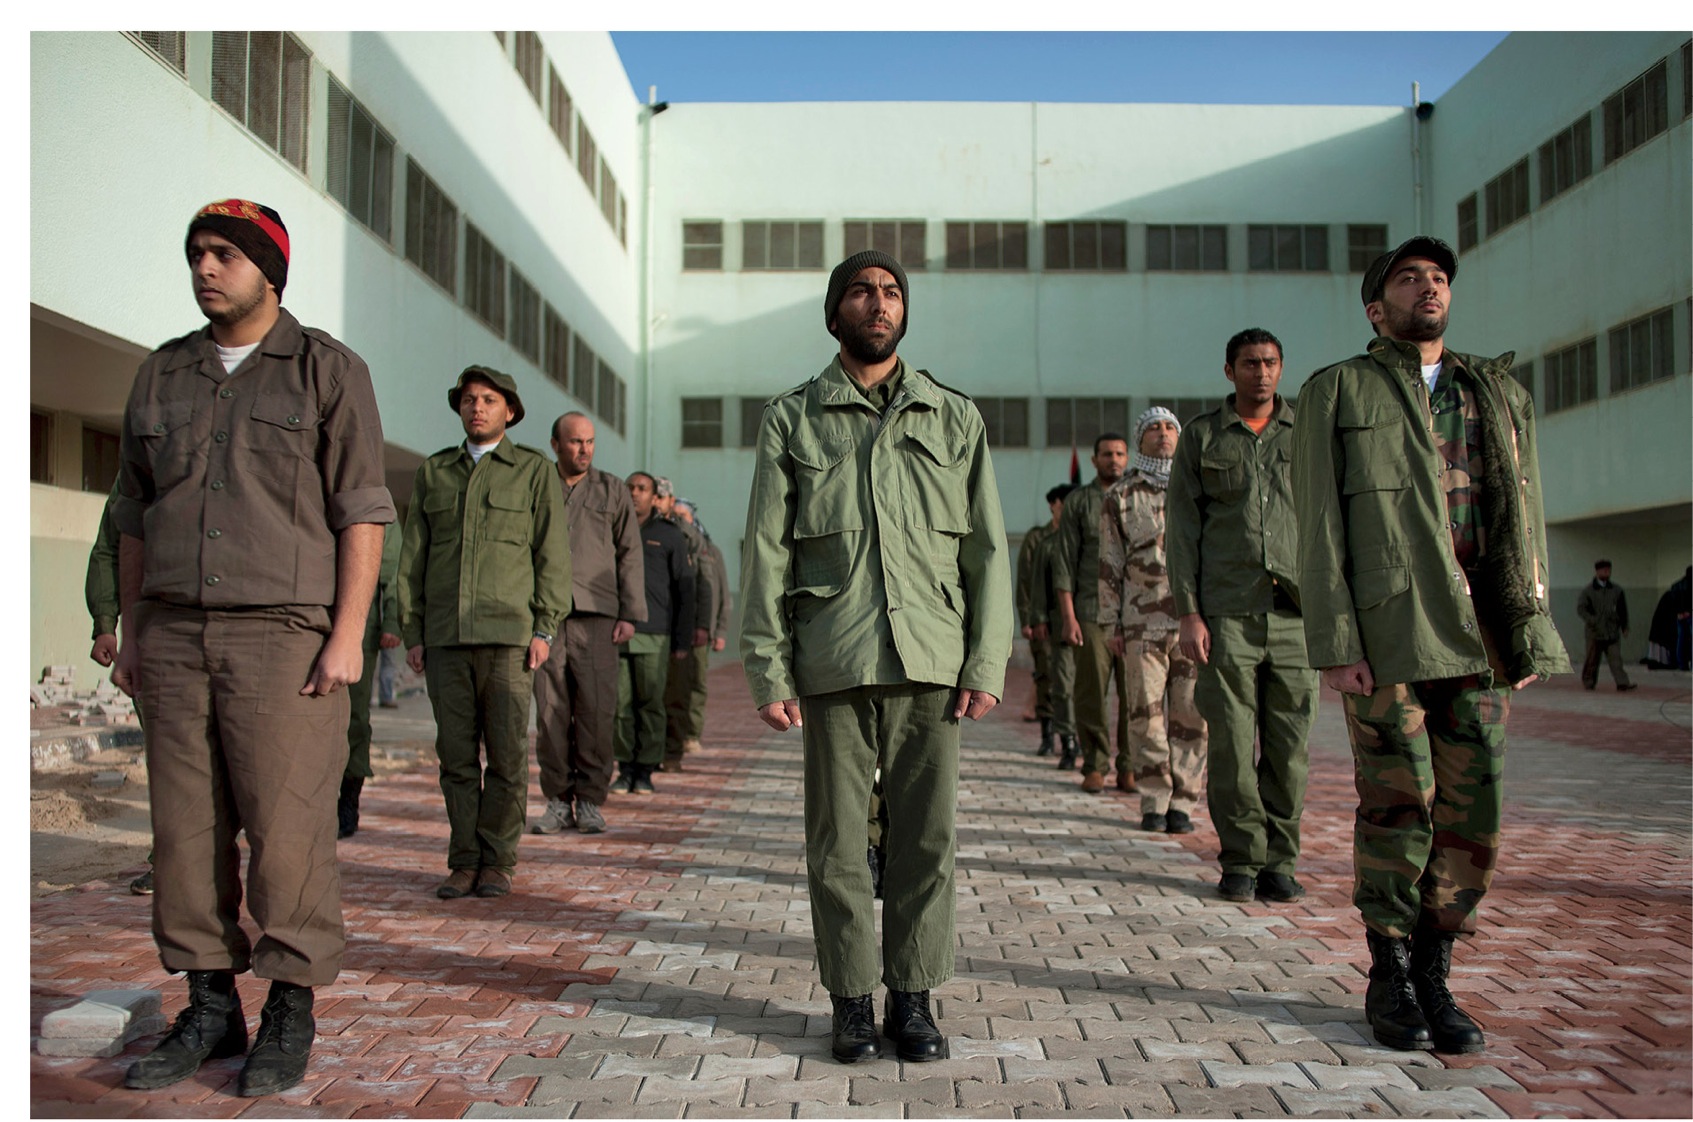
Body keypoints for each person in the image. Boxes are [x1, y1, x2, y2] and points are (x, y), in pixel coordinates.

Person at [110, 199, 394, 1096]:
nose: (205, 268)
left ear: (269, 269)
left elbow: (361, 511)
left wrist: (347, 636)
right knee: (184, 834)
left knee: (287, 832)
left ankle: (288, 1008)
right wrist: (127, 632)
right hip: (174, 632)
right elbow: (131, 515)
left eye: (224, 254)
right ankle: (208, 1004)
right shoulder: (162, 374)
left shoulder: (326, 372)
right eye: (195, 252)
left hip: (284, 637)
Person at [1292, 236, 1569, 1055]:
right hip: (1389, 634)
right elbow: (1319, 525)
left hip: (1480, 634)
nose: (1428, 287)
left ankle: (1435, 970)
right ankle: (1388, 973)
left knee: (1471, 807)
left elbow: (1526, 510)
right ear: (1376, 307)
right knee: (1397, 801)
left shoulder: (1496, 392)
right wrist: (1338, 641)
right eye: (1408, 278)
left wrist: (1526, 627)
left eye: (1439, 277)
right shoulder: (1337, 389)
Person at [740, 250, 1012, 1065]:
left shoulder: (952, 415)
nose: (878, 302)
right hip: (833, 656)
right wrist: (766, 665)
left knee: (926, 840)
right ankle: (852, 1000)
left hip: (930, 657)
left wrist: (985, 660)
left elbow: (988, 552)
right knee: (836, 843)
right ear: (835, 314)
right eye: (861, 291)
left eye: (891, 292)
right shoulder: (794, 416)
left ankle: (914, 998)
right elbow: (763, 549)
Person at [398, 366, 570, 901]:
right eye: (469, 400)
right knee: (454, 758)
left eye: (489, 400)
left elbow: (552, 556)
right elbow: (413, 561)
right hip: (446, 637)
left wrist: (545, 627)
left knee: (507, 756)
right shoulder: (434, 473)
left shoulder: (535, 473)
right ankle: (463, 860)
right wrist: (413, 631)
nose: (477, 408)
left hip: (509, 638)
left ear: (509, 411)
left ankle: (498, 861)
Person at [1168, 328, 1320, 903]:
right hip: (1227, 613)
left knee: (1289, 747)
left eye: (1272, 362)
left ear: (1282, 368)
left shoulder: (1307, 429)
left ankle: (1280, 860)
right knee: (1231, 746)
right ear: (1229, 371)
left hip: (1296, 615)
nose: (1263, 372)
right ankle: (1240, 860)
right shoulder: (1203, 438)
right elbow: (1181, 531)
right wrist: (1190, 613)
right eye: (1251, 363)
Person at [530, 412, 645, 836]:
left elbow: (630, 552)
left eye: (590, 442)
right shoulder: (537, 485)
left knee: (597, 712)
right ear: (556, 444)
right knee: (550, 713)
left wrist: (629, 612)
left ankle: (592, 800)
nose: (584, 450)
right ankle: (558, 800)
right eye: (575, 442)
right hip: (547, 616)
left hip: (598, 617)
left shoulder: (612, 489)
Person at [1107, 407, 1208, 835]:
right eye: (1153, 429)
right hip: (1140, 623)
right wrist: (1111, 621)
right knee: (1145, 715)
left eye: (1169, 427)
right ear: (1140, 439)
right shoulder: (1121, 494)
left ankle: (1184, 802)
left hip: (1192, 623)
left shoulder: (1199, 487)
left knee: (1191, 715)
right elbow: (1108, 563)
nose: (1163, 434)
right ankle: (1153, 799)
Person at [1054, 433, 1136, 793]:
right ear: (1094, 460)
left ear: (1128, 457)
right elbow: (1065, 562)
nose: (1113, 460)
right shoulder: (1079, 502)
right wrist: (1068, 616)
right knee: (1091, 694)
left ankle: (1130, 766)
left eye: (1119, 454)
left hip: (1136, 612)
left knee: (1136, 694)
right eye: (1106, 454)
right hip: (1090, 610)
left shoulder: (1139, 497)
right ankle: (1095, 763)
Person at [616, 471, 695, 794]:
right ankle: (624, 768)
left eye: (642, 489)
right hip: (618, 631)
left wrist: (682, 639)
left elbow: (685, 590)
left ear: (653, 495)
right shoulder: (614, 529)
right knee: (620, 705)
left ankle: (646, 769)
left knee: (650, 703)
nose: (634, 493)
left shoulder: (669, 535)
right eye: (630, 488)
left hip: (656, 631)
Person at [339, 522, 403, 838]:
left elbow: (392, 570)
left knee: (354, 720)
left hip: (358, 628)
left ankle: (348, 800)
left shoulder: (374, 498)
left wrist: (392, 620)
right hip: (306, 623)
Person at [667, 499, 729, 762]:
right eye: (675, 515)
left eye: (683, 515)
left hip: (698, 629)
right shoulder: (674, 545)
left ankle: (692, 733)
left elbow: (719, 593)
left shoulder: (709, 550)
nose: (679, 520)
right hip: (673, 626)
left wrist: (716, 629)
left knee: (696, 683)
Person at [656, 482, 709, 770]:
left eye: (664, 498)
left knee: (682, 691)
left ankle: (676, 748)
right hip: (652, 622)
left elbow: (703, 585)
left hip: (680, 623)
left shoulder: (688, 535)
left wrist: (705, 626)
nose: (659, 503)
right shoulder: (644, 529)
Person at [1029, 484, 1080, 765]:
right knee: (1060, 686)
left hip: (1092, 624)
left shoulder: (1089, 539)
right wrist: (1036, 620)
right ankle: (1066, 740)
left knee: (1084, 690)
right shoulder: (1046, 543)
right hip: (1059, 627)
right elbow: (1036, 586)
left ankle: (1079, 739)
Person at [1016, 501, 1057, 751]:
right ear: (1055, 505)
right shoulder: (1037, 538)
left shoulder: (1076, 534)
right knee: (1045, 676)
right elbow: (1024, 580)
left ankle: (1071, 738)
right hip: (1042, 619)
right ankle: (1048, 735)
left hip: (1073, 619)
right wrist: (1027, 618)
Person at [1576, 560, 1637, 691]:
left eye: (1608, 570)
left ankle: (1622, 683)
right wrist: (1593, 620)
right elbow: (1581, 609)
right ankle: (1589, 682)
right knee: (1592, 660)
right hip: (1595, 632)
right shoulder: (1588, 591)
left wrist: (1624, 626)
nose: (1607, 573)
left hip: (1612, 631)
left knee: (1616, 659)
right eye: (1604, 570)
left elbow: (1622, 609)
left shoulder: (1616, 590)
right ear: (1597, 572)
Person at [1645, 566, 1692, 670]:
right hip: (1676, 614)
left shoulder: (1678, 585)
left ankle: (1679, 663)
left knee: (1679, 639)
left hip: (1669, 615)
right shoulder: (1687, 586)